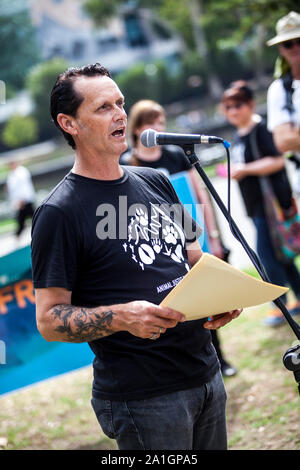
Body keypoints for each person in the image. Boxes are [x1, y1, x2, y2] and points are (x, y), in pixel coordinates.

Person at [31, 63, 242, 451]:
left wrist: (223, 297)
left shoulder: (157, 180)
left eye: (120, 103)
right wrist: (123, 316)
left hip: (206, 372)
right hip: (144, 397)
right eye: (103, 107)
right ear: (69, 123)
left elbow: (195, 259)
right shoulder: (58, 213)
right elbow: (48, 320)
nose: (120, 114)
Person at [121, 99, 237, 377]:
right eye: (151, 123)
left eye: (161, 123)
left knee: (206, 296)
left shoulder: (176, 154)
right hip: (159, 245)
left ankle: (219, 359)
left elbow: (200, 197)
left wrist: (213, 236)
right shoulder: (126, 162)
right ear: (137, 129)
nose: (158, 128)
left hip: (192, 236)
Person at [221, 81, 300, 327]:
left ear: (251, 104)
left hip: (273, 205)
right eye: (228, 107)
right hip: (257, 206)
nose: (233, 111)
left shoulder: (261, 129)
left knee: (266, 257)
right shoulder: (239, 135)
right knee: (282, 257)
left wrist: (244, 170)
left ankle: (281, 305)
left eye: (238, 105)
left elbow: (278, 161)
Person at [266, 11, 300, 194]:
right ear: (281, 49)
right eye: (288, 43)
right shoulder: (279, 90)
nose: (295, 47)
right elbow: (284, 141)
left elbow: (291, 138)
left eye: (299, 41)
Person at [6, 160, 35, 237]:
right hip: (20, 202)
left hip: (24, 201)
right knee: (24, 220)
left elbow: (23, 187)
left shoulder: (21, 172)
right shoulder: (12, 174)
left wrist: (22, 200)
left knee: (34, 218)